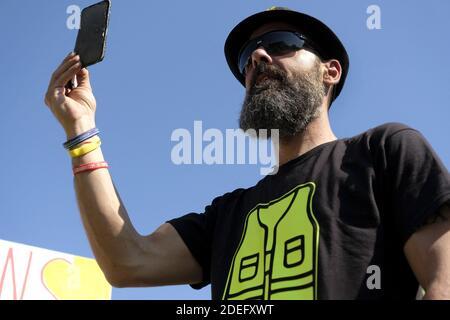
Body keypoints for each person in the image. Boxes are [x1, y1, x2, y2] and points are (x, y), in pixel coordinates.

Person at [44, 7, 450, 300]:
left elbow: (442, 284)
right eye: (247, 58)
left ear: (331, 71)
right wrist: (81, 130)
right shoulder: (227, 216)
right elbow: (126, 262)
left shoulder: (385, 152)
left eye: (280, 44)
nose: (257, 58)